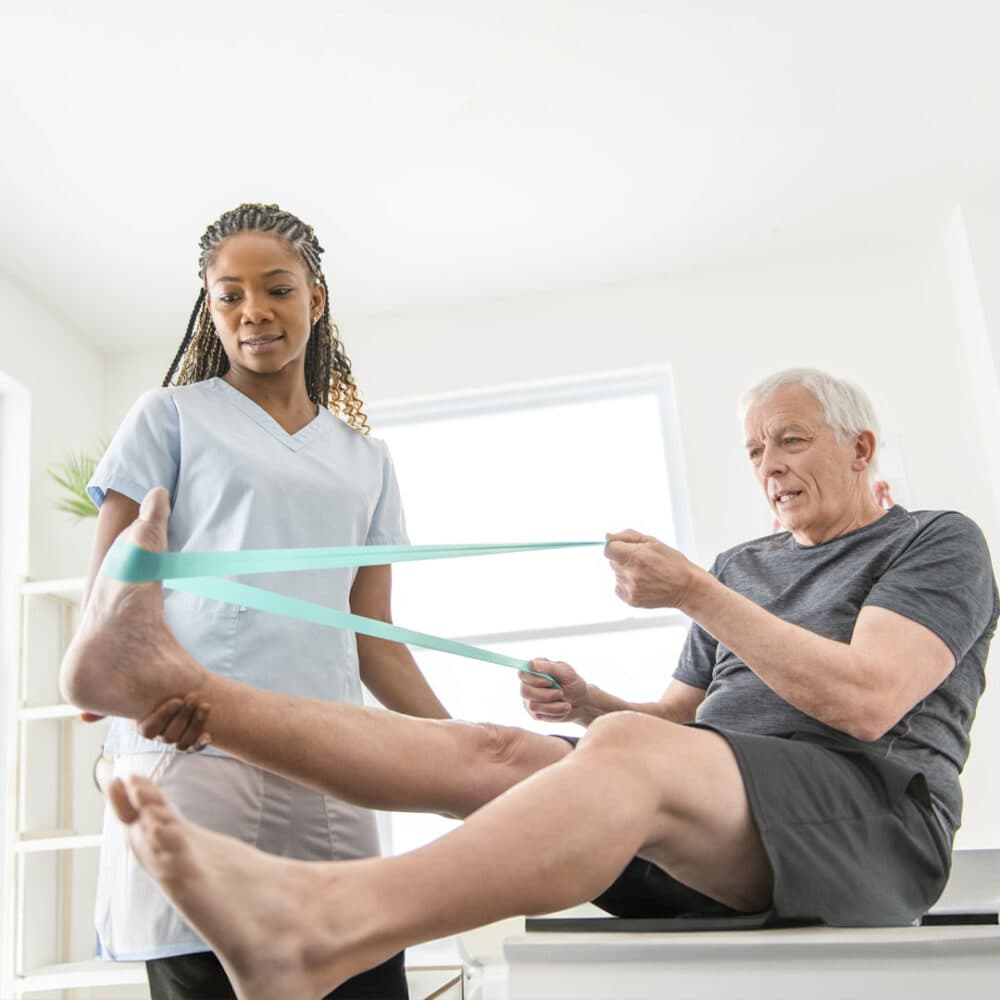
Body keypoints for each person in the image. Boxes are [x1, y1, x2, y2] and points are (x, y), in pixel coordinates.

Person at [62, 369, 998, 1000]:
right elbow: (681, 727)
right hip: (725, 833)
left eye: (789, 441)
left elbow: (868, 700)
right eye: (754, 451)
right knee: (498, 749)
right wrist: (594, 706)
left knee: (622, 751)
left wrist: (694, 594)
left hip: (871, 831)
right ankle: (161, 681)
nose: (770, 467)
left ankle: (326, 924)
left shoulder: (935, 542)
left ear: (861, 450)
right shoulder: (744, 565)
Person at [82, 203, 449, 999]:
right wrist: (135, 689)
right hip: (196, 752)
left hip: (332, 762)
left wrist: (465, 750)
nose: (253, 312)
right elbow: (108, 597)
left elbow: (373, 638)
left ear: (315, 297)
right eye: (230, 295)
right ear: (210, 310)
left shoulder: (367, 461)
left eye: (277, 289)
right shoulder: (169, 418)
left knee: (360, 972)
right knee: (204, 973)